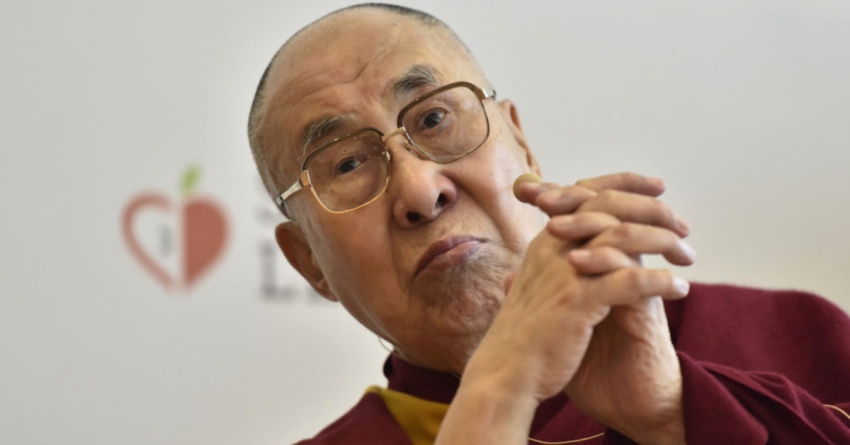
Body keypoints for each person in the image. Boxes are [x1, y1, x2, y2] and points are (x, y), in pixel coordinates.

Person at [247, 3, 850, 444]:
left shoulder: (799, 339)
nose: (421, 191)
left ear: (522, 144)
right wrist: (499, 393)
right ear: (308, 262)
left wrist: (674, 416)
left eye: (433, 119)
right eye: (347, 164)